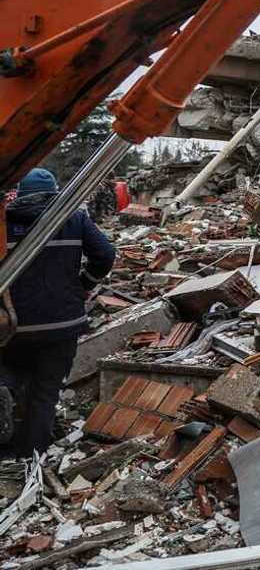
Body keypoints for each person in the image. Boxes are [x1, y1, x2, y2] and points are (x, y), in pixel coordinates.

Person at [0, 168, 116, 457]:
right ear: (55, 192)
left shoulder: (2, 222)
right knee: (45, 394)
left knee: (10, 374)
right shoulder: (73, 218)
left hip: (12, 326)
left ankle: (7, 391)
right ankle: (31, 458)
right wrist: (84, 285)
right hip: (62, 324)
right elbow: (105, 254)